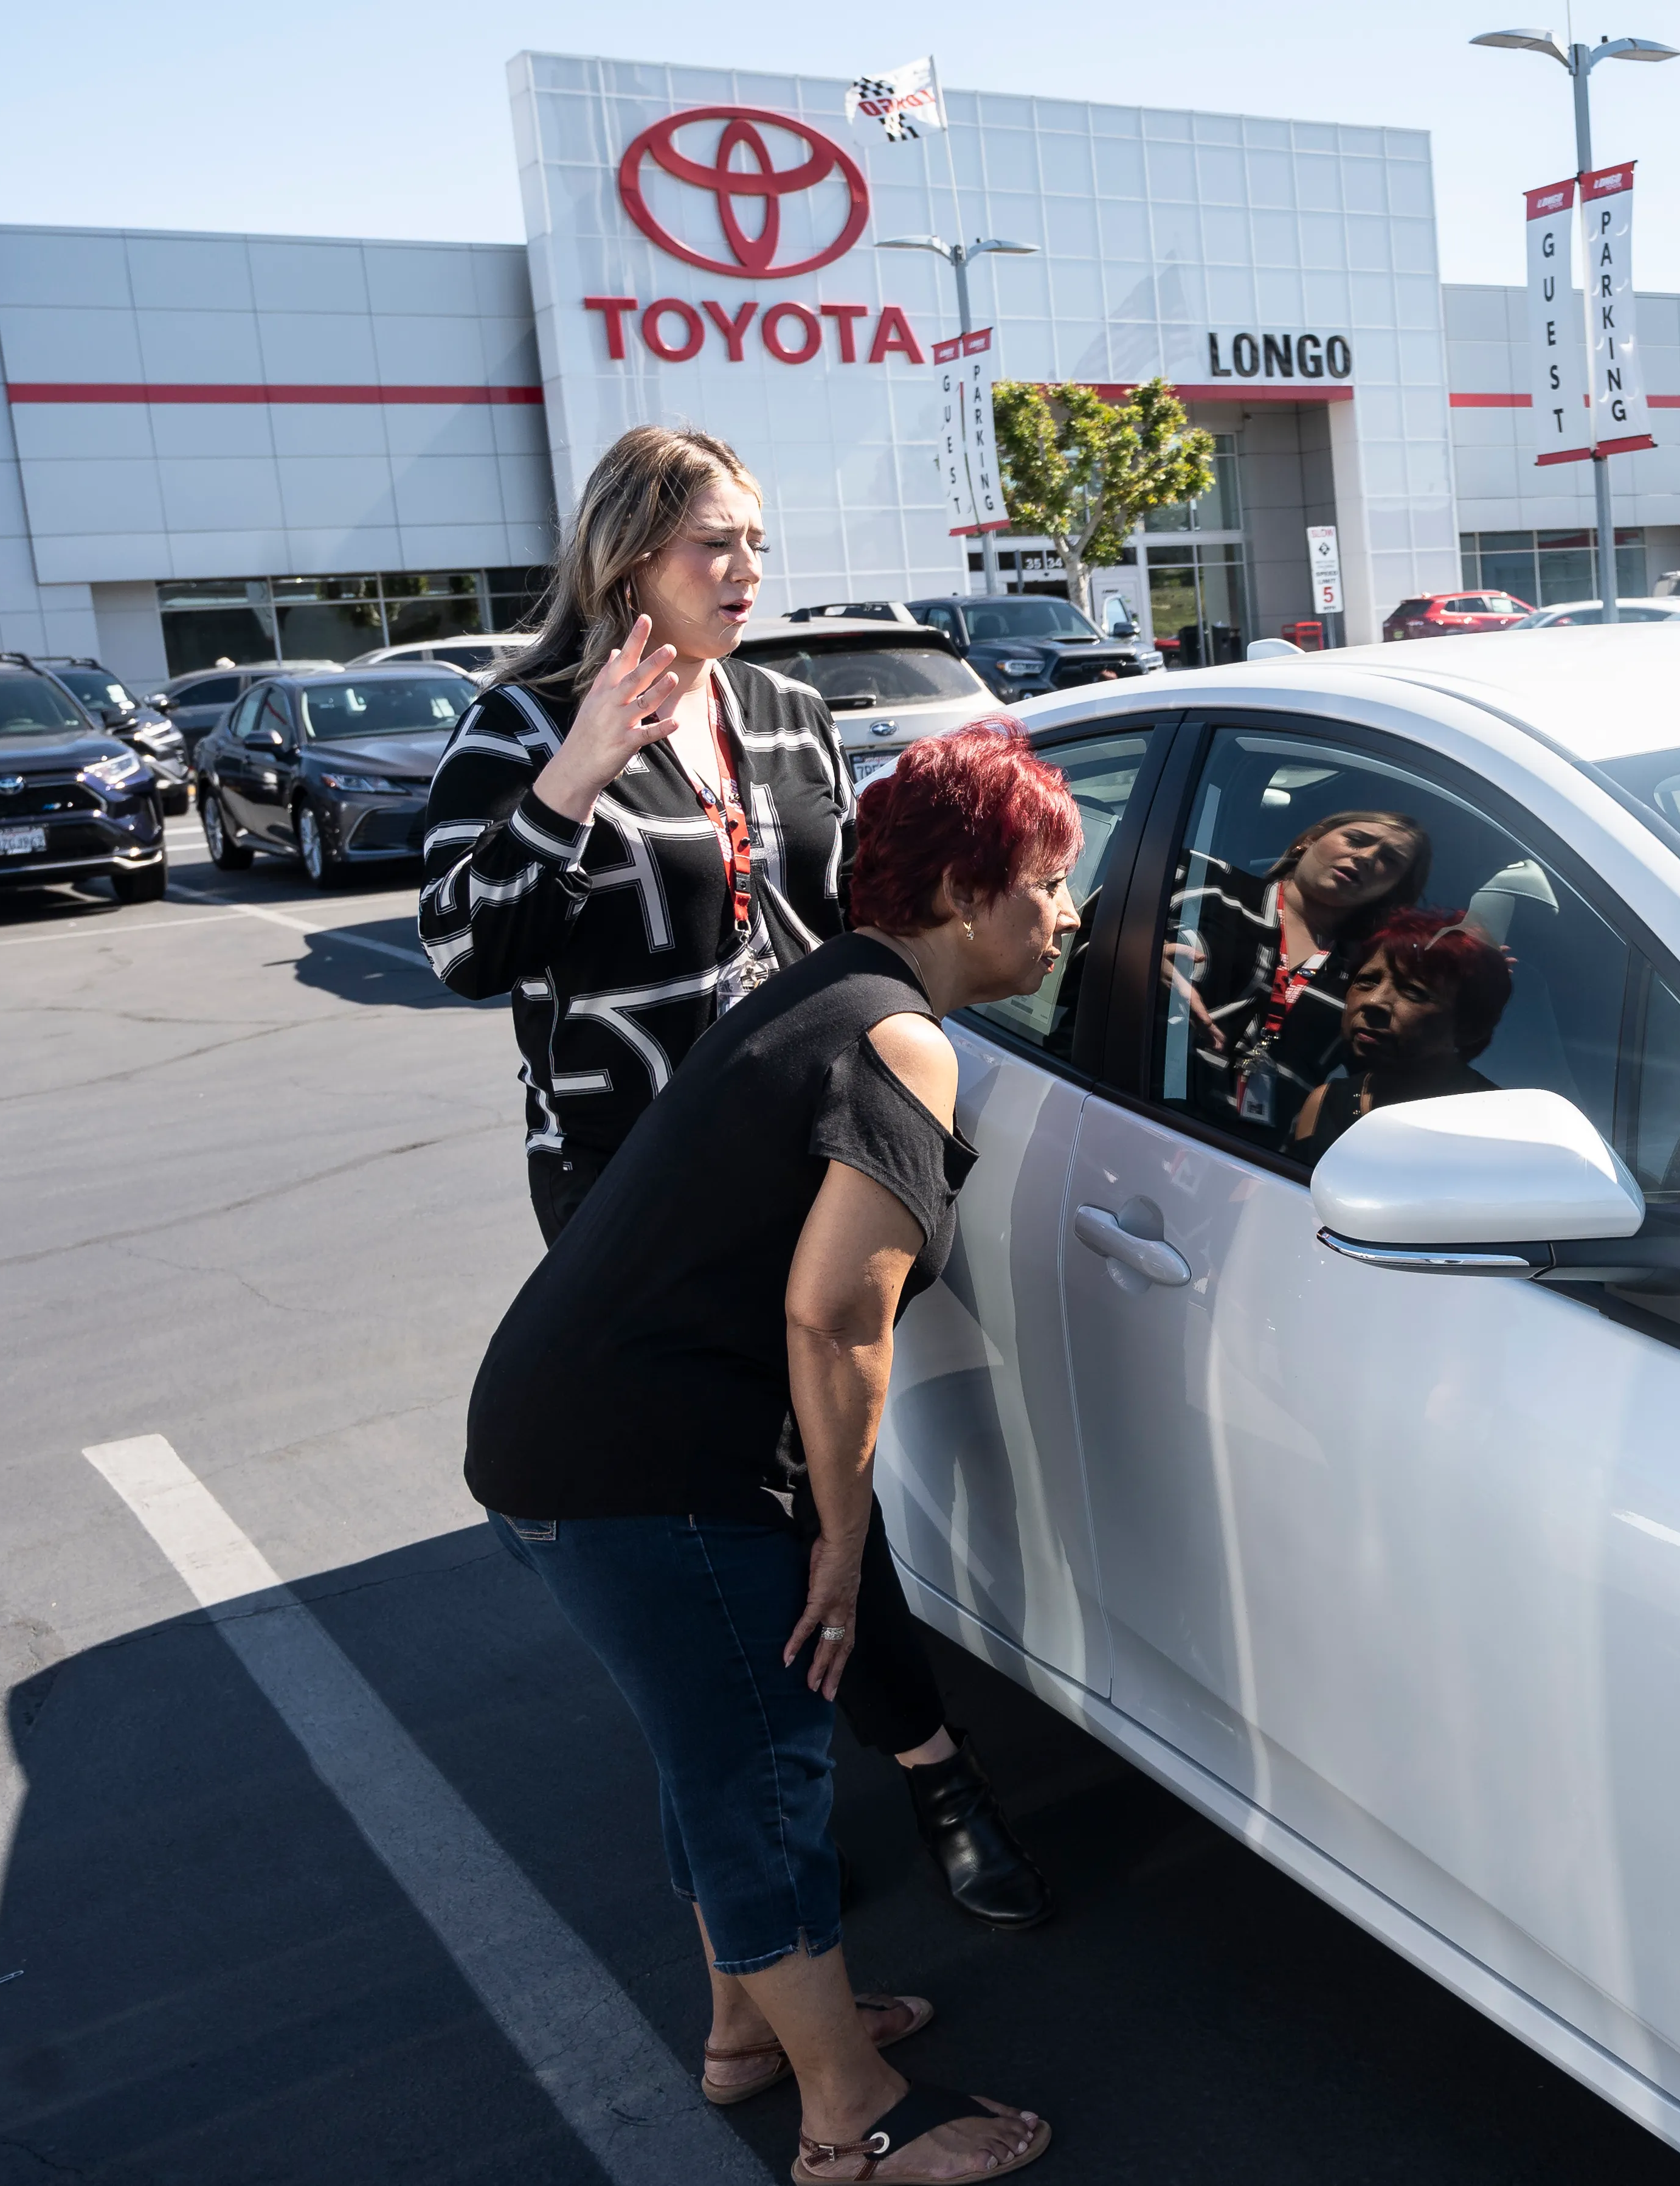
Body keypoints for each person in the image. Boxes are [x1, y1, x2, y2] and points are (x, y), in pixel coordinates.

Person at [418, 424, 1053, 1945]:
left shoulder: (781, 711)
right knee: (736, 1504)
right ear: (628, 552)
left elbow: (848, 923)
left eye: (759, 541)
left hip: (804, 1142)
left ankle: (851, 1784)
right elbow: (460, 945)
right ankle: (893, 1771)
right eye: (718, 543)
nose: (748, 570)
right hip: (631, 1181)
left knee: (831, 1460)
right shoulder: (521, 726)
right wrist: (581, 768)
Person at [465, 727, 1075, 2184]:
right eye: (1051, 885)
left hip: (558, 1438)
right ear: (969, 890)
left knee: (716, 1757)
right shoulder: (901, 1037)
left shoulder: (823, 986)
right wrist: (845, 1545)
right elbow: (833, 1312)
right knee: (762, 1771)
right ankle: (849, 2114)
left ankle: (755, 2030)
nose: (1065, 920)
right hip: (642, 1470)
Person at [1164, 810, 1430, 1139]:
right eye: (1356, 840)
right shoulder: (1199, 877)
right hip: (1131, 1101)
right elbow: (1089, 927)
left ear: (1394, 889)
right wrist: (1135, 956)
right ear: (1309, 840)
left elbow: (1401, 1070)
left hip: (1254, 1159)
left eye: (1389, 860)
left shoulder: (1368, 972)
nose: (1366, 858)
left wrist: (1473, 972)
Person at [1290, 909, 1514, 1160]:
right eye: (1367, 981)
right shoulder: (1323, 1104)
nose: (1374, 1002)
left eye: (1414, 992)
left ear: (1470, 1027)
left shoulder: (1500, 1128)